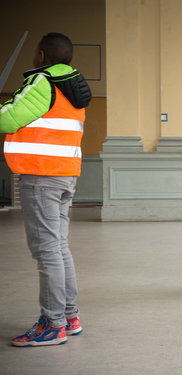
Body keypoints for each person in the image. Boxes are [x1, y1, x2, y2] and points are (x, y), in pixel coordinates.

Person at [0, 32, 91, 346]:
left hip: (42, 177)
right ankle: (68, 316)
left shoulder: (42, 83)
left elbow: (8, 119)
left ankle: (53, 325)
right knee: (59, 248)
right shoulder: (72, 87)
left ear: (41, 56)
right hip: (65, 175)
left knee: (48, 252)